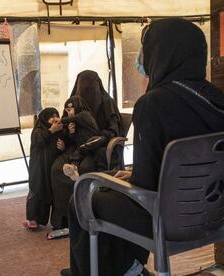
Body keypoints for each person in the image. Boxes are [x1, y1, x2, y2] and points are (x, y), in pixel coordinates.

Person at [61, 18, 224, 276]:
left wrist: (133, 178)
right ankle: (129, 268)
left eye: (145, 50)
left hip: (165, 221)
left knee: (84, 196)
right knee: (115, 194)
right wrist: (135, 175)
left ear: (162, 52)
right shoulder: (217, 98)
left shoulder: (152, 104)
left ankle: (106, 270)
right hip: (215, 215)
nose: (141, 59)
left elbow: (146, 187)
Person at [50, 96, 101, 229]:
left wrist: (59, 120)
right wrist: (71, 132)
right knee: (57, 168)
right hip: (79, 149)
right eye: (66, 110)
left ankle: (85, 213)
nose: (69, 113)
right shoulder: (75, 121)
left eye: (70, 109)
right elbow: (75, 140)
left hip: (91, 148)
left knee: (85, 167)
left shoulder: (84, 115)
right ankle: (64, 217)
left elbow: (71, 120)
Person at [62, 70, 122, 181]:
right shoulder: (75, 103)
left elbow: (113, 131)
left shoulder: (107, 102)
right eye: (83, 85)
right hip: (77, 143)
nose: (86, 90)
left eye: (90, 86)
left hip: (99, 146)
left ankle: (87, 197)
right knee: (56, 169)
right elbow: (66, 129)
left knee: (85, 168)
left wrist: (97, 134)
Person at [24, 107, 65, 229]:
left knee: (54, 193)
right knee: (38, 191)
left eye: (56, 115)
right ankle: (34, 219)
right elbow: (39, 141)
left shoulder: (59, 130)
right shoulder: (39, 130)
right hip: (39, 168)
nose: (54, 119)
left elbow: (63, 146)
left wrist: (63, 146)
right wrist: (50, 131)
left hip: (52, 167)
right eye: (51, 116)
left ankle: (56, 221)